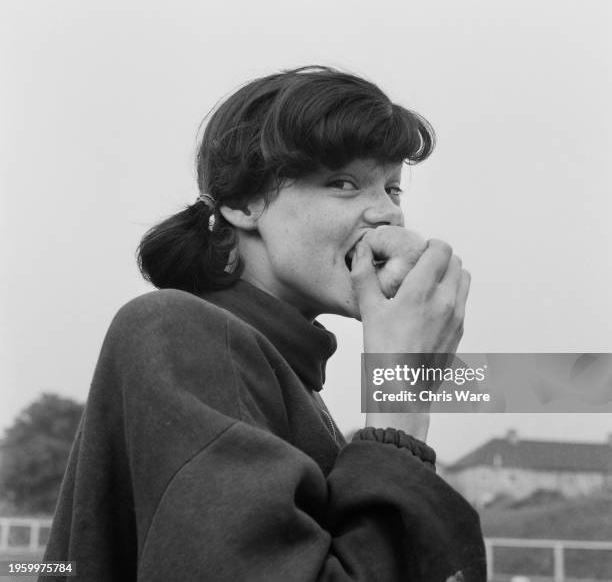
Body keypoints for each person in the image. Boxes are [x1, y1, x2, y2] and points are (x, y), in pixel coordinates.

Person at [43, 66, 486, 581]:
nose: (387, 214)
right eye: (343, 183)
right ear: (241, 203)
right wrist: (403, 394)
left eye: (392, 189)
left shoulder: (280, 375)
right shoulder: (178, 331)